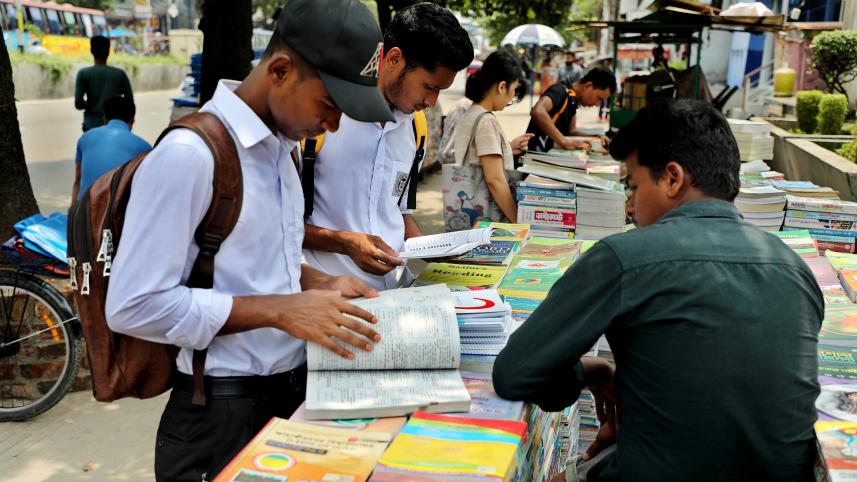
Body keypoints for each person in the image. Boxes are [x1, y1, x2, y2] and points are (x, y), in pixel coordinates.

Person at [104, 1, 394, 480]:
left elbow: (255, 253)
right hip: (218, 414)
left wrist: (318, 282)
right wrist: (281, 309)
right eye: (329, 105)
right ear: (280, 70)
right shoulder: (189, 156)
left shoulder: (281, 147)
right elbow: (134, 304)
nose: (334, 125)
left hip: (288, 397)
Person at [493, 99, 822, 482]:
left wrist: (590, 370)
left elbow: (515, 374)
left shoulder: (624, 257)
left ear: (672, 178)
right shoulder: (795, 268)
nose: (629, 207)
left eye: (633, 186)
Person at [302, 2, 473, 290]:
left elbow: (398, 213)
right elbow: (273, 226)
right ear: (394, 59)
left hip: (397, 292)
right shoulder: (321, 119)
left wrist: (435, 251)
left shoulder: (415, 128)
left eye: (440, 92)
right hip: (328, 295)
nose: (431, 103)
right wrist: (344, 243)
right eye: (429, 87)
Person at [443, 50, 532, 231]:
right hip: (487, 219)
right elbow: (495, 179)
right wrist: (517, 221)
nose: (511, 98)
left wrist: (506, 148)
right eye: (513, 91)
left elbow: (477, 156)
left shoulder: (471, 113)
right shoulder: (486, 120)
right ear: (501, 87)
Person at [71, 96, 151, 203]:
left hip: (85, 213)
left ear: (104, 118)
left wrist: (73, 216)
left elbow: (78, 180)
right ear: (132, 121)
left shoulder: (85, 138)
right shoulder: (144, 148)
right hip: (118, 214)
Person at [526, 67, 616, 152]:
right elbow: (537, 111)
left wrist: (596, 137)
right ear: (588, 86)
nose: (597, 104)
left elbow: (571, 131)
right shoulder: (560, 91)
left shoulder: (573, 99)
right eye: (599, 98)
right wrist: (564, 142)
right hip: (534, 154)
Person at [74, 35, 134, 132]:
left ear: (91, 51)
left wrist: (92, 104)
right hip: (115, 126)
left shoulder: (83, 74)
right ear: (108, 51)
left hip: (91, 126)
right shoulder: (119, 74)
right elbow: (129, 101)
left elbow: (78, 104)